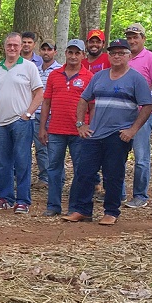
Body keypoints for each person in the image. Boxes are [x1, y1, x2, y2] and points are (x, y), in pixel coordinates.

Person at [63, 39, 152, 225]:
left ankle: (111, 212)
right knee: (84, 172)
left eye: (121, 53)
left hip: (118, 135)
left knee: (113, 174)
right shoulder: (99, 76)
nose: (117, 56)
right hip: (94, 133)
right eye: (113, 53)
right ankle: (82, 210)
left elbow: (147, 105)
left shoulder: (136, 79)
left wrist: (133, 130)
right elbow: (83, 99)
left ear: (129, 56)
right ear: (109, 55)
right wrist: (81, 124)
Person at [0, 32, 44, 214]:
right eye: (9, 45)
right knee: (1, 162)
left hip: (21, 122)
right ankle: (5, 198)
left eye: (16, 45)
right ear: (4, 46)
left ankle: (23, 201)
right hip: (0, 123)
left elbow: (39, 93)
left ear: (21, 47)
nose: (12, 48)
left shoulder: (29, 67)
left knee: (22, 161)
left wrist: (28, 113)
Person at [38, 39, 92, 217]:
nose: (74, 56)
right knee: (53, 168)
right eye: (70, 52)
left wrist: (89, 125)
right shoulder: (55, 75)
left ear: (83, 55)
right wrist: (42, 127)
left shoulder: (89, 77)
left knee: (80, 169)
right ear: (65, 53)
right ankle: (53, 206)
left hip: (79, 132)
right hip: (55, 130)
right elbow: (46, 102)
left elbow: (93, 105)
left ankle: (75, 207)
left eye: (77, 53)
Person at [123, 22, 152, 208]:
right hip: (122, 115)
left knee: (141, 156)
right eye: (129, 37)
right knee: (118, 156)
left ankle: (140, 195)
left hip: (143, 115)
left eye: (135, 37)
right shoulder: (123, 57)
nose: (132, 41)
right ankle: (119, 192)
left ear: (143, 39)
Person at [31, 40, 61, 187]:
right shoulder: (34, 69)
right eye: (44, 49)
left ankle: (58, 178)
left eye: (49, 50)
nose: (46, 52)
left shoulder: (60, 70)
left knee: (55, 148)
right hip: (35, 113)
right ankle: (44, 178)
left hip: (53, 114)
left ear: (55, 52)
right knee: (40, 148)